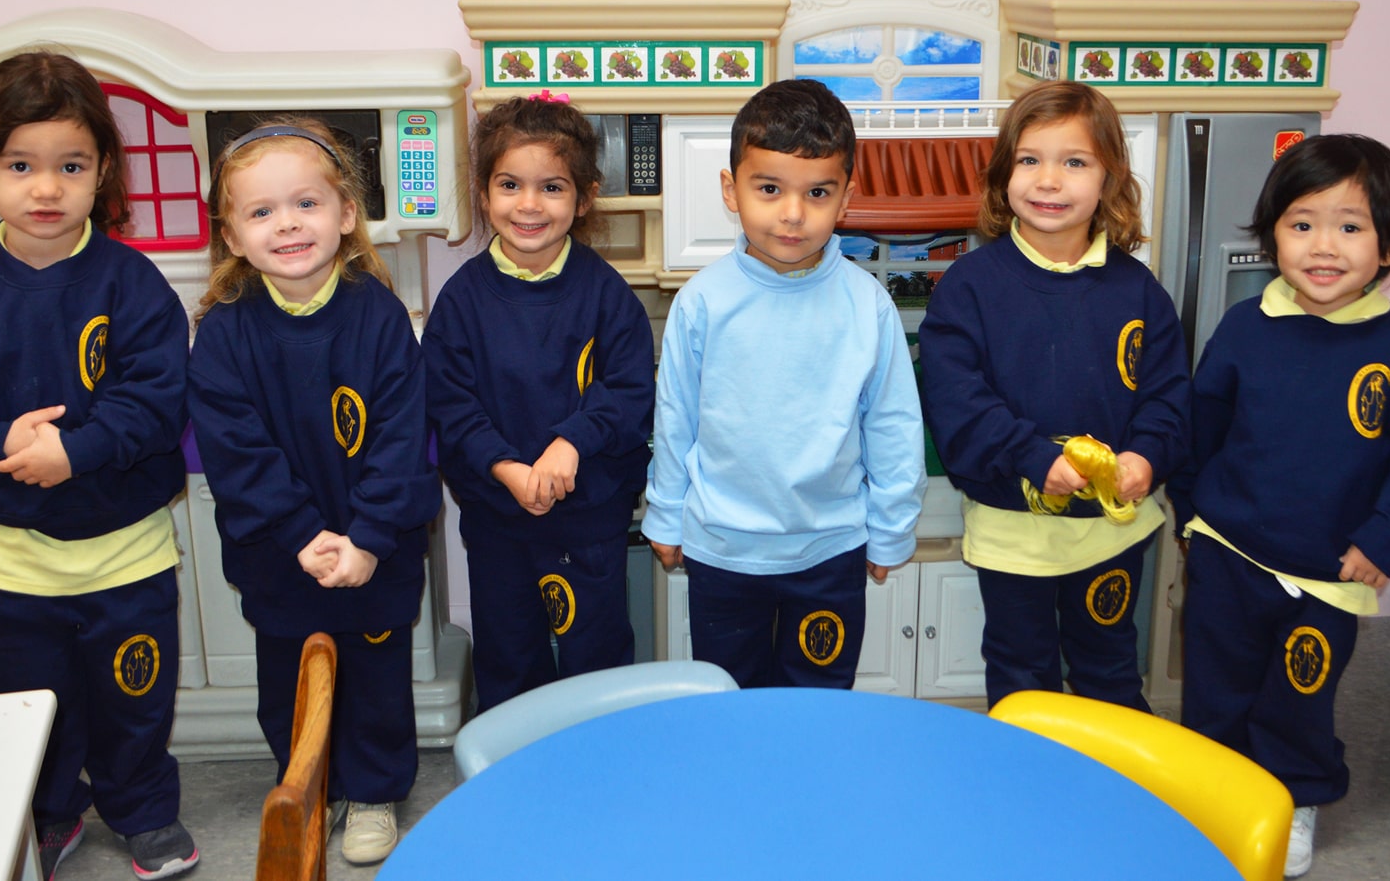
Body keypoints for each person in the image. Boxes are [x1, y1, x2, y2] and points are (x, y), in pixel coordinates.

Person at [0, 51, 198, 880]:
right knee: (32, 709)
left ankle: (142, 810)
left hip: (123, 554)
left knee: (135, 704)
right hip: (5, 568)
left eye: (70, 166)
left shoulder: (133, 286)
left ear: (102, 171)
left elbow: (160, 399)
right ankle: (51, 813)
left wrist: (76, 451)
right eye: (20, 166)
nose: (46, 188)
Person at [1167, 133, 1390, 879]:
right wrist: (1192, 512)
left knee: (1297, 696)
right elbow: (1201, 424)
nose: (1323, 246)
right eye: (1302, 224)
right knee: (1216, 686)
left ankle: (1291, 799)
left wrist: (1384, 540)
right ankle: (1213, 792)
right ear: (1273, 235)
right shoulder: (1244, 328)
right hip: (1229, 554)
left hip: (1332, 571)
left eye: (1350, 226)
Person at [187, 119, 438, 866]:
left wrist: (366, 538)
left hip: (376, 553)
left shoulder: (381, 316)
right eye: (261, 212)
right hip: (280, 554)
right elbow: (239, 455)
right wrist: (303, 535)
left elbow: (400, 439)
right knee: (290, 683)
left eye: (306, 204)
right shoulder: (225, 333)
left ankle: (372, 790)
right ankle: (312, 785)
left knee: (376, 678)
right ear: (231, 234)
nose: (287, 223)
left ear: (347, 215)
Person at [643, 78, 926, 689]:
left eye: (817, 192)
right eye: (769, 189)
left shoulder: (867, 305)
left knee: (818, 708)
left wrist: (891, 528)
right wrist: (666, 517)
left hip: (831, 553)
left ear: (846, 197)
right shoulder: (703, 303)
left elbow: (894, 424)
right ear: (731, 189)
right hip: (723, 553)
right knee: (730, 704)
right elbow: (675, 421)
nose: (792, 213)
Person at [918, 80, 1189, 714]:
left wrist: (1148, 457)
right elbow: (958, 404)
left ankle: (1116, 800)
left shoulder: (1139, 291)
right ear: (1003, 175)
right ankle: (1027, 801)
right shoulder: (969, 287)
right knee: (1021, 678)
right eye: (1030, 160)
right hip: (1014, 536)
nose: (1049, 180)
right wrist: (1038, 458)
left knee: (1110, 673)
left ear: (1109, 179)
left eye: (1075, 162)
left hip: (1112, 537)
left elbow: (1169, 396)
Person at [423, 96, 654, 710]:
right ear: (483, 192)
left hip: (590, 523)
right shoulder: (461, 301)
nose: (528, 205)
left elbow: (630, 393)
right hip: (499, 522)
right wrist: (506, 467)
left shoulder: (607, 295)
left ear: (583, 197)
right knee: (510, 656)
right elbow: (450, 405)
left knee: (595, 656)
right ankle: (514, 777)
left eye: (551, 187)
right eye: (509, 185)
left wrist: (570, 442)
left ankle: (598, 769)